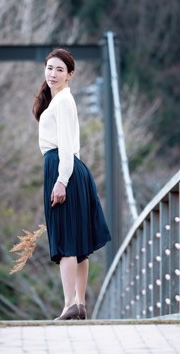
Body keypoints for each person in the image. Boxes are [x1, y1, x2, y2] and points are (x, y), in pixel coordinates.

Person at [33, 48, 111, 320]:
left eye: (59, 70)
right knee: (77, 242)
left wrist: (61, 181)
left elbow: (65, 145)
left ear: (70, 76)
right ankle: (78, 303)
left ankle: (69, 305)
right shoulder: (58, 101)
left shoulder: (64, 101)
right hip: (70, 170)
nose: (52, 74)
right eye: (49, 68)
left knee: (66, 240)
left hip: (63, 169)